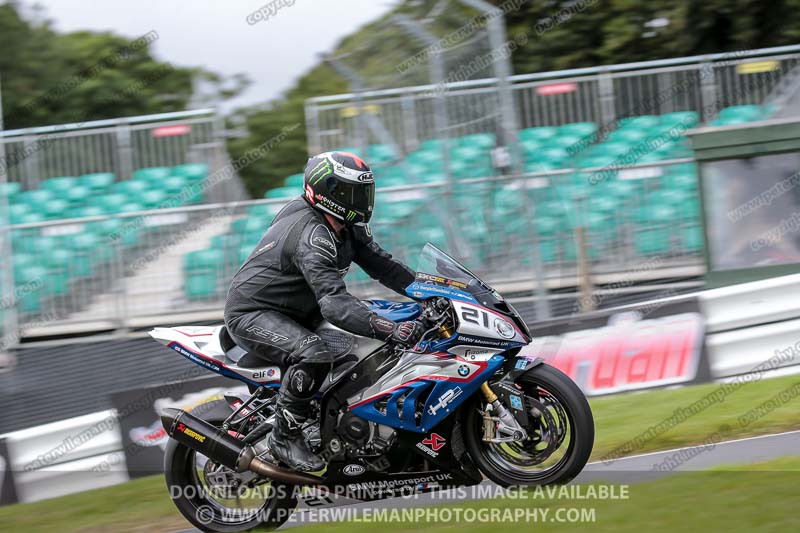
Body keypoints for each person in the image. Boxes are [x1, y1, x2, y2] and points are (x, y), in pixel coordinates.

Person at [224, 151, 422, 471]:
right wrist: (389, 327)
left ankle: (335, 432)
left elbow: (383, 265)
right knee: (314, 352)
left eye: (365, 191)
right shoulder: (312, 234)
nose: (363, 200)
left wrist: (433, 293)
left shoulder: (345, 223)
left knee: (358, 352)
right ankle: (284, 437)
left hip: (300, 311)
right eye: (353, 192)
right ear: (330, 192)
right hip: (254, 312)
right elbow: (333, 303)